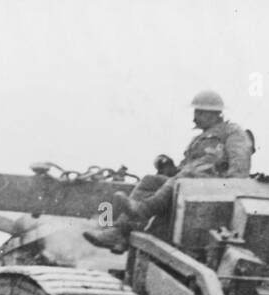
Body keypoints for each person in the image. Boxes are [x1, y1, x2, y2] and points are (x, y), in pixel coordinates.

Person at [84, 90, 254, 252]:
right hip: (189, 183)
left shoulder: (233, 133)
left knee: (179, 181)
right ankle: (119, 233)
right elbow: (187, 168)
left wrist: (223, 186)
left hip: (213, 190)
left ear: (214, 113)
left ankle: (140, 212)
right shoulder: (201, 138)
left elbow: (239, 168)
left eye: (199, 113)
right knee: (150, 181)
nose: (195, 118)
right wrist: (170, 167)